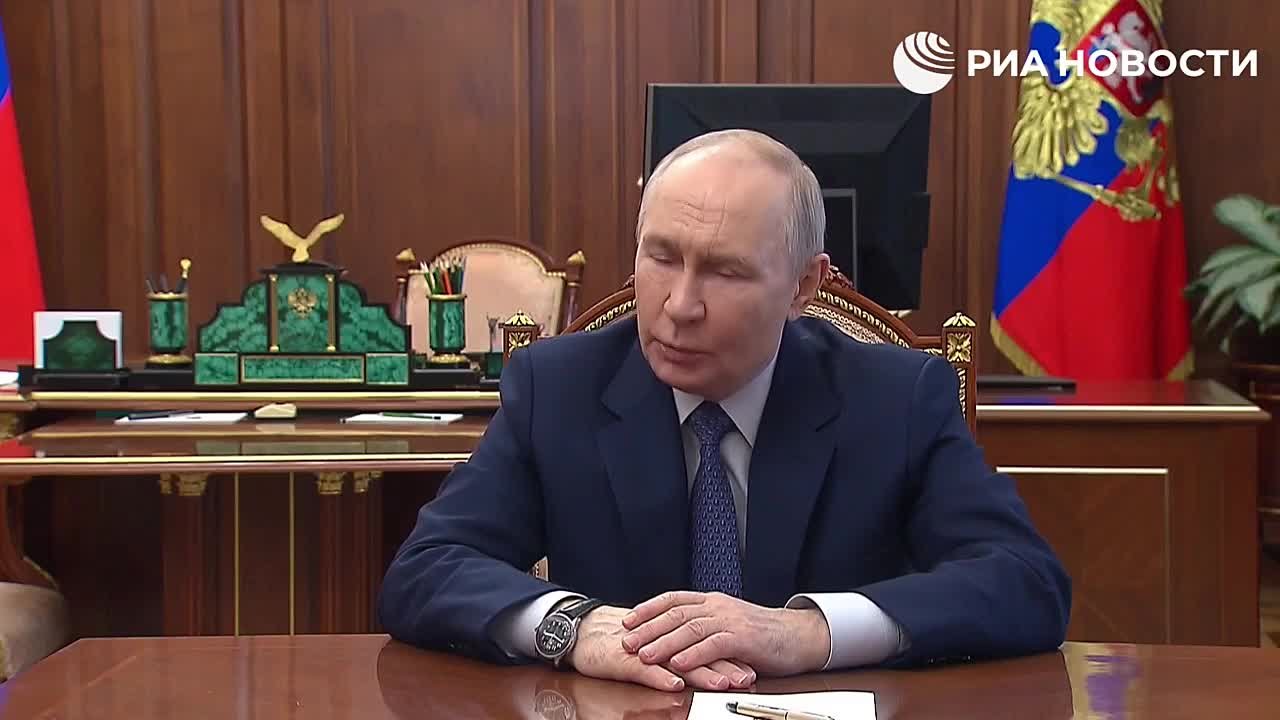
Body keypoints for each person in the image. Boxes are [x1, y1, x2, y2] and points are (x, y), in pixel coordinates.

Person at [378, 129, 1071, 693]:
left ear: (803, 285)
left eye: (726, 271)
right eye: (662, 258)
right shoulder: (560, 387)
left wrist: (809, 633)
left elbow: (1026, 581)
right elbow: (426, 570)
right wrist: (578, 629)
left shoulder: (896, 398)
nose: (680, 306)